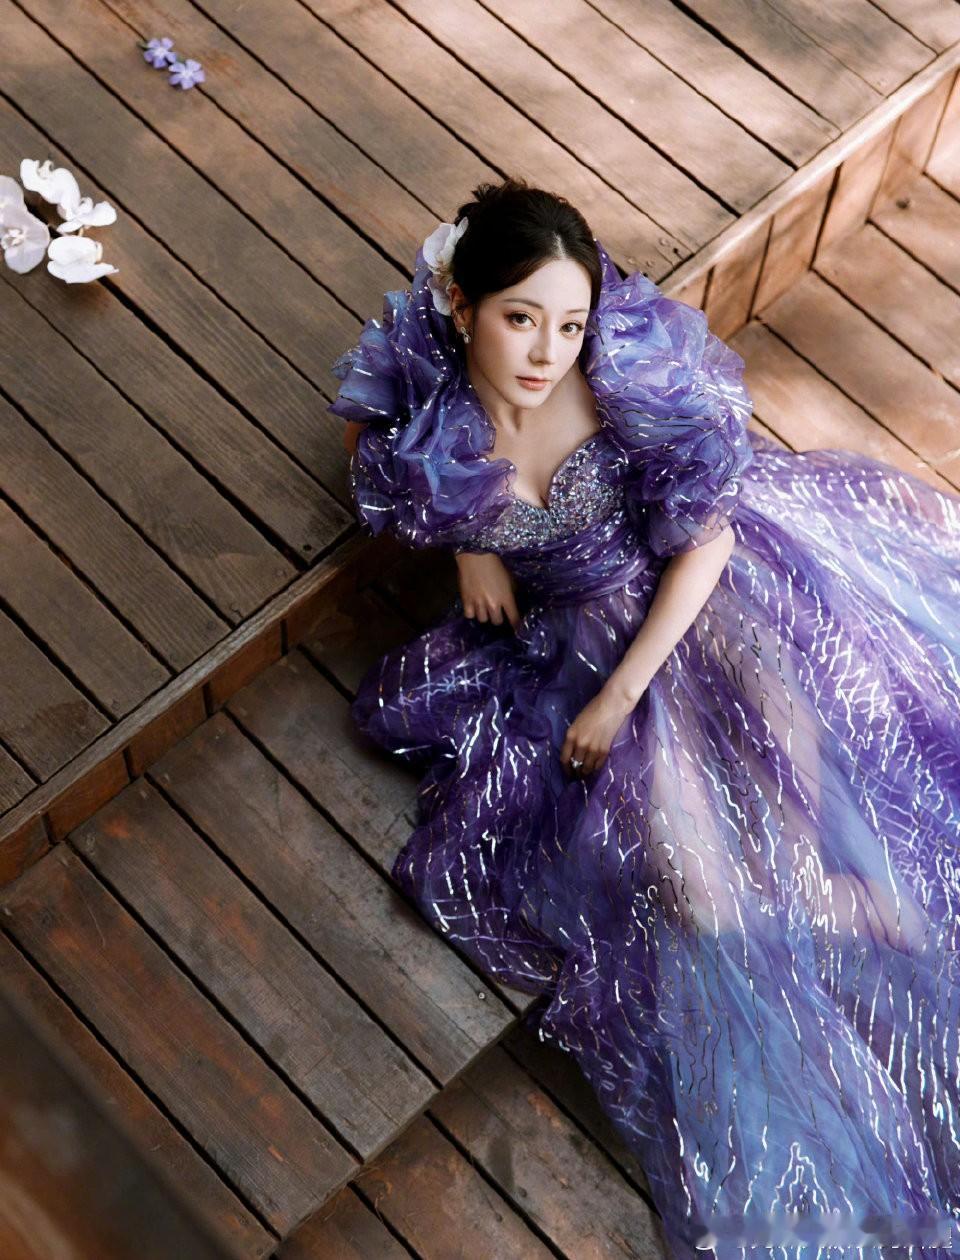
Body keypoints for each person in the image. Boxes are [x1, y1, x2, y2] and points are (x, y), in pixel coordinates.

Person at [329, 176, 960, 1258]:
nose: (546, 352)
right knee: (701, 901)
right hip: (576, 649)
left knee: (818, 810)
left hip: (707, 615)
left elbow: (708, 545)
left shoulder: (620, 386)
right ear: (461, 306)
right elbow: (370, 443)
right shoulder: (433, 404)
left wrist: (622, 695)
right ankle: (834, 932)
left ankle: (872, 913)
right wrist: (472, 542)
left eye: (570, 324)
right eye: (521, 318)